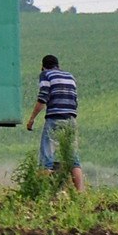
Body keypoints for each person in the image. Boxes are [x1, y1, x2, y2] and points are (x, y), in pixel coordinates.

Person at [26, 54, 84, 191]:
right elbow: (75, 100)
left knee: (47, 157)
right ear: (58, 65)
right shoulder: (70, 77)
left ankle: (42, 191)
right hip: (71, 119)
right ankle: (81, 192)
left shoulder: (46, 75)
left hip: (54, 119)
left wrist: (32, 119)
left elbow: (43, 98)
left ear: (43, 67)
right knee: (73, 158)